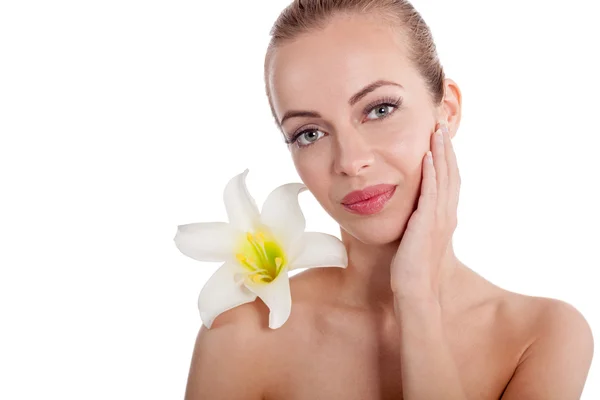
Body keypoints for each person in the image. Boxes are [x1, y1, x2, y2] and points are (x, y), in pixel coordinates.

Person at [184, 1, 594, 398]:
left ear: (446, 111)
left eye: (379, 110)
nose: (351, 161)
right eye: (309, 133)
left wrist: (416, 297)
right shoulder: (242, 336)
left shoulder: (543, 336)